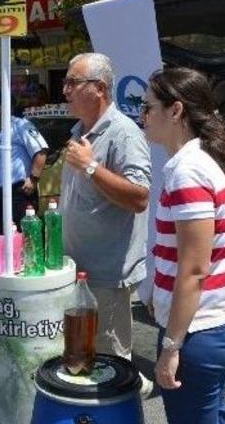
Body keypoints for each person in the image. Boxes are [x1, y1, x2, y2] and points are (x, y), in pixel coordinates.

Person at [142, 67, 225, 423]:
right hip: (212, 321)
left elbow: (193, 270)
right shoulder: (195, 162)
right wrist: (158, 298)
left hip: (199, 330)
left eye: (147, 107)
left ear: (176, 111)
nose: (141, 116)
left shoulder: (187, 171)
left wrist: (171, 346)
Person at [60, 53, 152, 370]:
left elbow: (140, 197)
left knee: (109, 368)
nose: (65, 90)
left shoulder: (124, 133)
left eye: (73, 82)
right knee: (81, 361)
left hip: (107, 276)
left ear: (99, 88)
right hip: (76, 271)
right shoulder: (79, 132)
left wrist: (90, 167)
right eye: (66, 82)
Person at [0, 94, 48, 227]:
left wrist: (33, 178)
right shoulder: (0, 132)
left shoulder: (20, 125)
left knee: (19, 239)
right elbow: (3, 163)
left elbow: (41, 151)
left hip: (16, 195)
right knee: (4, 241)